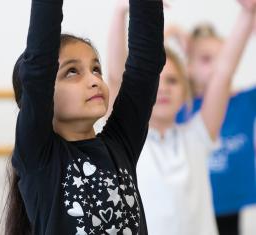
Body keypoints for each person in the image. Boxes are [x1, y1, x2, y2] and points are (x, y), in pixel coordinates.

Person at [2, 0, 165, 234]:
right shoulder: (40, 158)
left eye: (96, 69)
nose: (94, 80)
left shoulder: (121, 144)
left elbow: (145, 67)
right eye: (72, 72)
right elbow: (38, 69)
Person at [107, 0, 256, 234]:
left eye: (173, 81)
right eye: (157, 81)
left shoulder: (197, 135)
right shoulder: (129, 142)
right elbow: (117, 78)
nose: (164, 88)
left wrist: (248, 15)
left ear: (186, 90)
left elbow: (223, 74)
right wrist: (119, 13)